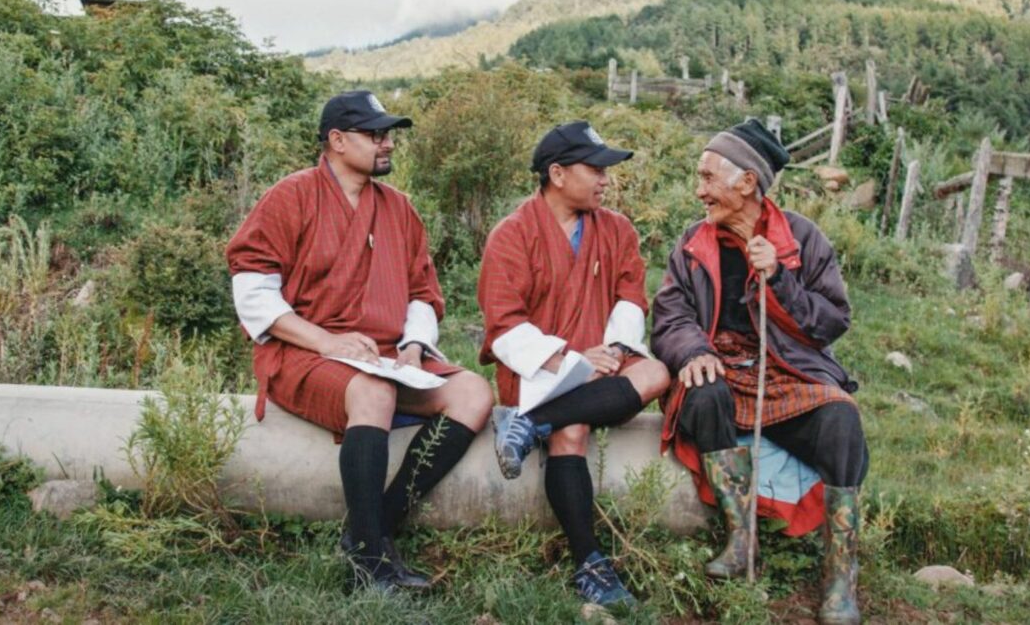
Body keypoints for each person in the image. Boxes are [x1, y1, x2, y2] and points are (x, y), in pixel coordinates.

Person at [225, 90, 493, 592]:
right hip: (304, 353)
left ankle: (371, 530)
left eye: (388, 134)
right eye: (376, 135)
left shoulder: (399, 208)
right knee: (374, 392)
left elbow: (421, 292)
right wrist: (328, 342)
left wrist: (414, 345)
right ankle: (370, 564)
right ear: (337, 140)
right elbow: (254, 293)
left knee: (474, 393)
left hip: (386, 357)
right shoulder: (291, 196)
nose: (387, 143)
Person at [651, 119, 867, 624]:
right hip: (721, 366)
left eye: (708, 178)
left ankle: (840, 574)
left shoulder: (802, 239)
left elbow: (831, 321)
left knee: (841, 419)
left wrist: (782, 278)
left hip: (786, 370)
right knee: (702, 392)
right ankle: (740, 539)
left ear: (747, 182)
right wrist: (692, 352)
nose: (699, 190)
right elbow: (670, 316)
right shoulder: (692, 243)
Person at [478, 121, 671, 609]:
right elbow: (503, 324)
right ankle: (589, 563)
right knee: (573, 431)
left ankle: (528, 425)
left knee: (655, 372)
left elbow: (630, 296)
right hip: (538, 368)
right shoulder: (512, 234)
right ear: (557, 174)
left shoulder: (617, 228)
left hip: (602, 361)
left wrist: (615, 349)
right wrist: (565, 356)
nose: (606, 179)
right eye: (596, 168)